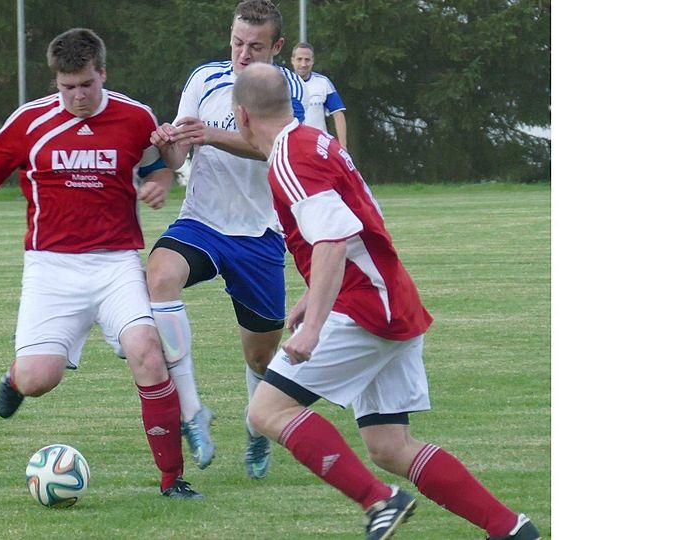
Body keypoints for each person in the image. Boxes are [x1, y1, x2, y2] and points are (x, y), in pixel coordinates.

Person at [232, 63, 542, 540]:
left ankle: (381, 501)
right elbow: (346, 231)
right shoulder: (312, 141)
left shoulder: (288, 160)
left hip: (366, 307)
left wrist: (313, 326)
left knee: (267, 411)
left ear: (241, 115)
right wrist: (313, 296)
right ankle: (510, 529)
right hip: (389, 298)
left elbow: (333, 239)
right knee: (390, 445)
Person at [0, 28, 202, 500]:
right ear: (56, 81)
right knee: (39, 378)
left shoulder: (135, 116)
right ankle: (15, 379)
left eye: (86, 85)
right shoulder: (29, 121)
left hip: (115, 264)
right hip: (51, 268)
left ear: (102, 74)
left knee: (148, 354)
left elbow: (159, 163)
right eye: (67, 87)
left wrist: (160, 182)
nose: (77, 96)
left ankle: (172, 480)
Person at [147, 0, 305, 479]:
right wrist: (168, 145)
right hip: (202, 222)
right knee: (158, 277)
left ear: (277, 47)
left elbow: (275, 146)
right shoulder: (204, 78)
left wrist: (209, 135)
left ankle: (257, 433)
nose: (242, 54)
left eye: (255, 46)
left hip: (259, 235)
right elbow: (178, 158)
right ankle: (193, 413)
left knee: (259, 354)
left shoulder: (286, 87)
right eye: (237, 42)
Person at [290, 42, 348, 148]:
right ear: (292, 60)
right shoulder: (283, 84)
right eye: (299, 59)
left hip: (319, 146)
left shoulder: (323, 83)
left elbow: (338, 114)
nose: (303, 64)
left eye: (307, 60)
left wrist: (343, 146)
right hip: (293, 145)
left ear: (312, 61)